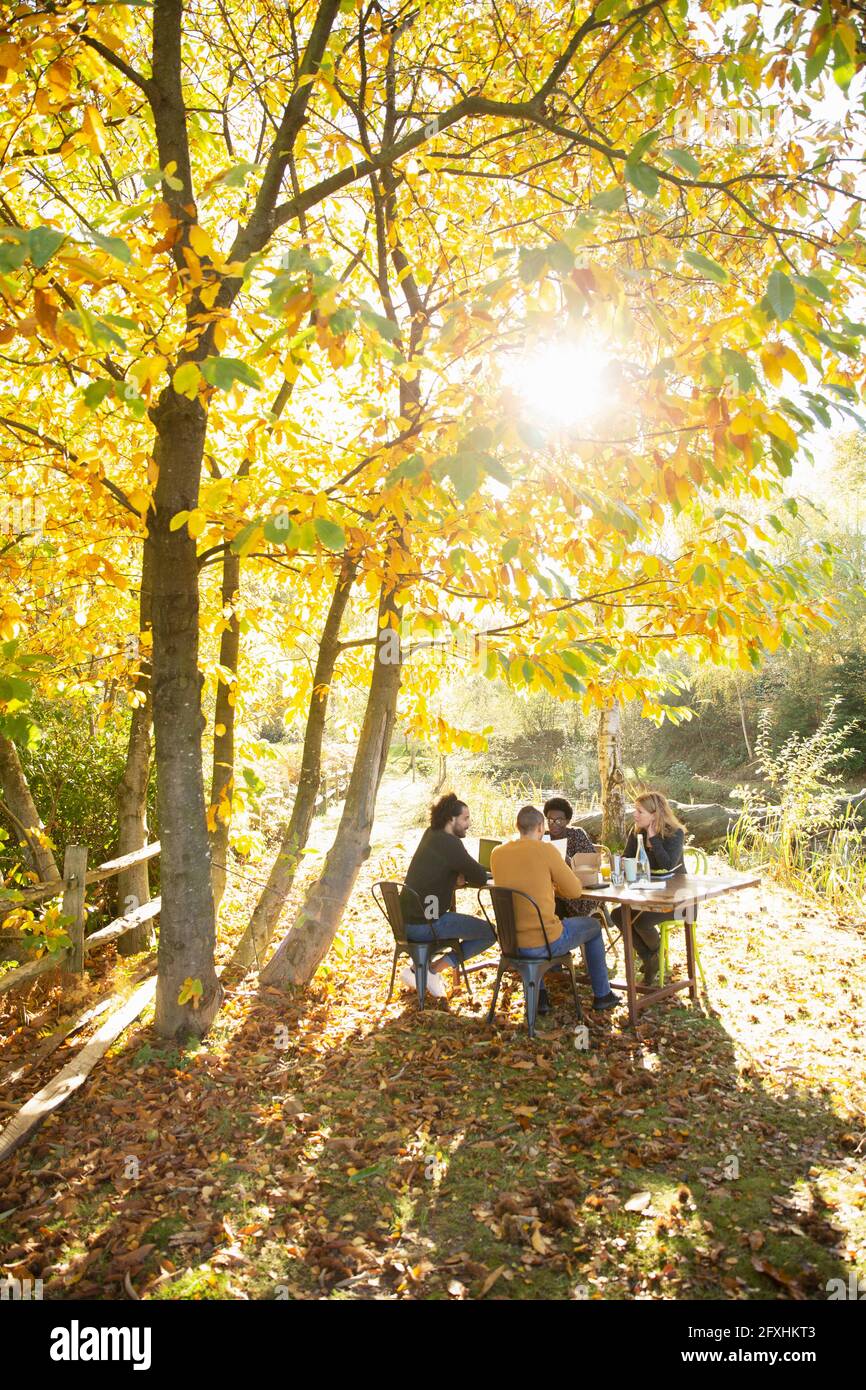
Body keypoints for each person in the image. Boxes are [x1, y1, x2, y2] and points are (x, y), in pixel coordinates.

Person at [490, 805, 620, 1012]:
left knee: (531, 923)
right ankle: (603, 994)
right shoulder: (546, 850)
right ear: (541, 827)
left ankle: (540, 998)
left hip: (510, 942)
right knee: (593, 926)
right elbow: (574, 891)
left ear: (517, 826)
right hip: (544, 942)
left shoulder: (497, 853)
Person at [399, 792, 495, 998]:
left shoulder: (430, 835)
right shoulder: (450, 843)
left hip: (405, 923)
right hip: (427, 924)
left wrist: (454, 876)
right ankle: (432, 970)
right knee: (490, 933)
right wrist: (461, 875)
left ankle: (418, 970)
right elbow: (479, 876)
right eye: (465, 818)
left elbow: (437, 868)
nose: (469, 823)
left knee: (450, 922)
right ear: (451, 819)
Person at [614, 790, 686, 985]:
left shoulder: (675, 834)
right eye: (635, 810)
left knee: (640, 920)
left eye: (639, 811)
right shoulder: (637, 831)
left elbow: (668, 864)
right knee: (617, 915)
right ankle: (650, 956)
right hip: (647, 894)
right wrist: (621, 863)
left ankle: (652, 958)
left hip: (679, 900)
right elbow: (628, 857)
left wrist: (653, 837)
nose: (634, 815)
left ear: (654, 815)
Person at [543, 796, 598, 922]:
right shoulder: (543, 837)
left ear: (567, 820)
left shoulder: (576, 834)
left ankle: (560, 937)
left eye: (559, 820)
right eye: (550, 820)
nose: (554, 824)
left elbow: (590, 866)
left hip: (578, 892)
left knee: (554, 908)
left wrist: (567, 861)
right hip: (551, 890)